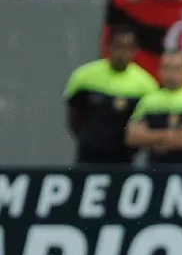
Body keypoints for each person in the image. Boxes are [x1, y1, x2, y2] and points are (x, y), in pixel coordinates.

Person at [64, 26, 160, 164]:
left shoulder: (146, 85)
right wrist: (87, 138)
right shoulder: (84, 77)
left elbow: (147, 123)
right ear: (109, 46)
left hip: (125, 159)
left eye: (128, 48)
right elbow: (73, 116)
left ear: (134, 50)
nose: (122, 53)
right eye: (118, 47)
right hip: (88, 156)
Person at [126, 51, 182, 164]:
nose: (171, 74)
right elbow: (132, 137)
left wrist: (151, 137)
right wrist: (171, 135)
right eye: (167, 68)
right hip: (154, 168)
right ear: (159, 70)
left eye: (176, 69)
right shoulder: (148, 101)